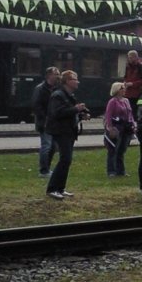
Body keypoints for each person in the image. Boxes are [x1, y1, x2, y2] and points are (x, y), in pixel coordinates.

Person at [44, 70, 88, 200]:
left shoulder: (69, 95)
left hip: (68, 131)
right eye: (75, 79)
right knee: (65, 159)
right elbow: (57, 113)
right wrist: (76, 109)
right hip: (61, 131)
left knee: (66, 160)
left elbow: (69, 112)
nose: (77, 81)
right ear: (67, 81)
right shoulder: (58, 95)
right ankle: (52, 189)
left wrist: (81, 115)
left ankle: (60, 188)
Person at [31, 66, 60, 178]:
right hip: (45, 122)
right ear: (49, 75)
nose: (58, 76)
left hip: (54, 122)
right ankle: (43, 170)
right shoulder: (41, 89)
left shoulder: (57, 88)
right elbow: (36, 105)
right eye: (56, 74)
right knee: (47, 145)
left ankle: (46, 168)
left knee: (53, 146)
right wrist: (45, 118)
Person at [103, 82, 136, 178]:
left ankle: (121, 170)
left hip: (126, 128)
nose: (124, 90)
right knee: (113, 150)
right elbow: (108, 115)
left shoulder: (126, 101)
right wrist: (110, 128)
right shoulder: (112, 101)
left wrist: (133, 124)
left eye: (124, 88)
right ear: (117, 90)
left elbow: (130, 114)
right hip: (116, 128)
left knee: (122, 150)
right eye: (122, 88)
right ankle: (111, 171)